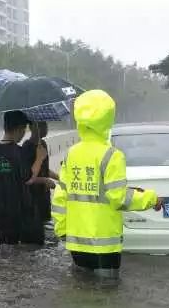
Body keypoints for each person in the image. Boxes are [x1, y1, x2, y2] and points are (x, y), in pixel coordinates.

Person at [51, 90, 161, 278]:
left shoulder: (72, 154)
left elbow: (60, 198)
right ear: (108, 118)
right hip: (105, 246)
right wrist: (151, 199)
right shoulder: (112, 155)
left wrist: (62, 230)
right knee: (107, 293)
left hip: (76, 243)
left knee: (81, 290)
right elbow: (118, 198)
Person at [0, 111, 47, 245]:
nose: (24, 133)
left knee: (6, 250)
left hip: (2, 216)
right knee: (25, 253)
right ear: (19, 128)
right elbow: (29, 178)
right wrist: (40, 158)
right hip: (22, 214)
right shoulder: (20, 152)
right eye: (24, 129)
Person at [22, 121, 59, 227]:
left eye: (46, 124)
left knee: (48, 224)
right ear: (32, 127)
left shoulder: (43, 144)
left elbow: (45, 170)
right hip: (33, 197)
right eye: (41, 125)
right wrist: (45, 180)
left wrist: (60, 178)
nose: (45, 128)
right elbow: (26, 177)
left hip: (45, 195)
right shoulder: (27, 147)